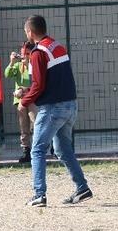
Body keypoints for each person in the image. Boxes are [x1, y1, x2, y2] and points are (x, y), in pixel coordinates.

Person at [21, 15, 92, 207]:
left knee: (37, 150)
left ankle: (39, 194)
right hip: (70, 105)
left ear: (30, 32)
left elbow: (38, 84)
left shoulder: (37, 52)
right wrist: (29, 93)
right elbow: (51, 80)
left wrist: (24, 100)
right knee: (63, 149)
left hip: (53, 108)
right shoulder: (57, 46)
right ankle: (82, 188)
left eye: (26, 31)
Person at [5, 42, 37, 163]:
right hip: (21, 100)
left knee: (35, 123)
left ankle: (38, 149)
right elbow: (7, 74)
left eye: (28, 54)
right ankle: (26, 150)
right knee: (24, 126)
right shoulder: (18, 66)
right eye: (23, 54)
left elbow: (35, 82)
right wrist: (12, 62)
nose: (25, 56)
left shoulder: (34, 65)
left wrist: (24, 89)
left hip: (33, 99)